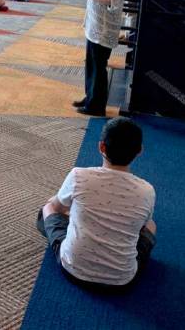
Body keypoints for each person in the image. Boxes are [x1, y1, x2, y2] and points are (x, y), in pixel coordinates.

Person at [36, 117, 156, 290]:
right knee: (151, 225)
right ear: (139, 151)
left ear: (101, 147)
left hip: (73, 270)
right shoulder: (147, 190)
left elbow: (56, 207)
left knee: (47, 209)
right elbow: (142, 225)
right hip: (122, 281)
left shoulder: (80, 176)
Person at [74, 0, 130, 115]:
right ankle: (90, 96)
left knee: (98, 66)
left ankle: (96, 106)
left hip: (102, 27)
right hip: (97, 25)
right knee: (92, 63)